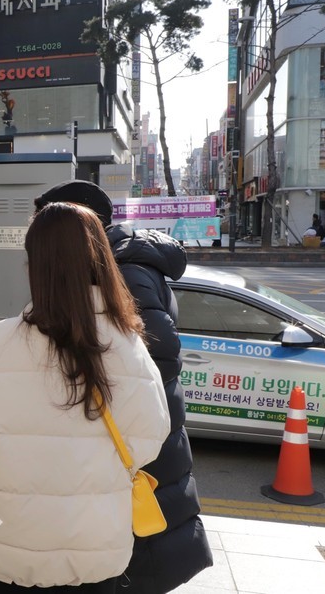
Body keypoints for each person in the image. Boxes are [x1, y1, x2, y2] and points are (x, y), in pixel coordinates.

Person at [0, 202, 170, 592]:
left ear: (36, 267)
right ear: (102, 262)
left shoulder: (1, 341)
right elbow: (150, 440)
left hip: (7, 550)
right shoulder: (130, 345)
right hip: (95, 554)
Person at [34, 180, 213, 593]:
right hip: (139, 433)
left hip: (138, 440)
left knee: (139, 551)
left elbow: (160, 353)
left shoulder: (125, 268)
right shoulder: (118, 260)